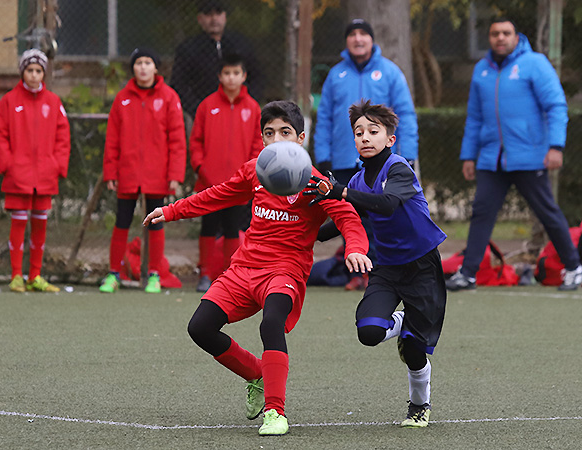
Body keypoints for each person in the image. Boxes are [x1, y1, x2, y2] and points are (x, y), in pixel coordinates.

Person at [143, 100, 371, 436]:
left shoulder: (315, 182)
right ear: (262, 139)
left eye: (285, 132)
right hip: (244, 267)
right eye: (269, 133)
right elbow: (216, 195)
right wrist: (172, 210)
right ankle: (256, 374)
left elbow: (348, 217)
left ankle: (275, 412)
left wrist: (356, 248)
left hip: (286, 270)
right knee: (200, 328)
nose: (276, 139)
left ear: (300, 139)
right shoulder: (255, 171)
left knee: (272, 322)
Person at [305, 100, 447, 428]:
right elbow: (345, 220)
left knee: (414, 350)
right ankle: (403, 322)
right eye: (359, 132)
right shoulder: (356, 182)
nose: (366, 137)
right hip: (386, 267)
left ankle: (419, 405)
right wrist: (303, 235)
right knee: (368, 332)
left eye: (373, 131)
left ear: (390, 139)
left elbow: (386, 205)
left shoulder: (398, 168)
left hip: (422, 266)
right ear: (353, 140)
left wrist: (339, 192)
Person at [446, 17, 582, 292]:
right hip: (490, 159)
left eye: (506, 33)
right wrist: (468, 156)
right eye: (495, 33)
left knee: (547, 213)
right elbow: (474, 118)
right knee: (481, 213)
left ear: (516, 36)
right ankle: (469, 273)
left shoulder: (535, 64)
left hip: (529, 157)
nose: (500, 38)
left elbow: (556, 106)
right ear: (489, 37)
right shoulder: (482, 70)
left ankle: (574, 268)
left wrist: (556, 147)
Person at [313, 18, 418, 290]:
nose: (358, 39)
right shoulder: (336, 75)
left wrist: (407, 154)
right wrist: (323, 155)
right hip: (344, 159)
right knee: (349, 216)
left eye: (363, 34)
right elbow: (323, 117)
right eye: (352, 34)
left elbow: (405, 114)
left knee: (379, 216)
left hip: (380, 162)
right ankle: (356, 271)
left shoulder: (390, 72)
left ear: (372, 40)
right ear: (347, 41)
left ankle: (380, 271)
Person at [100, 47, 187, 294]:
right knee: (122, 222)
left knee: (157, 224)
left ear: (156, 67)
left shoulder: (169, 97)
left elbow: (177, 140)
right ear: (133, 68)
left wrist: (174, 175)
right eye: (139, 62)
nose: (143, 67)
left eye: (148, 62)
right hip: (127, 173)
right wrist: (111, 173)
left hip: (156, 175)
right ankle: (113, 274)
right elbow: (112, 139)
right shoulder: (122, 99)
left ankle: (154, 275)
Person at [0, 48, 70, 293]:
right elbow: (0, 135)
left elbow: (63, 137)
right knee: (18, 222)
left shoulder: (54, 102)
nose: (34, 75)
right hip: (18, 175)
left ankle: (35, 275)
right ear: (22, 72)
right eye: (30, 70)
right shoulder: (9, 100)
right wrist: (8, 165)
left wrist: (57, 165)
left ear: (44, 73)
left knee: (40, 224)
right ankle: (16, 275)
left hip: (45, 176)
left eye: (38, 71)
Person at [190, 53, 263, 292]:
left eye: (236, 73)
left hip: (238, 185)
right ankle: (205, 274)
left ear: (243, 76)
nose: (231, 78)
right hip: (209, 184)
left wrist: (247, 175)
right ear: (220, 76)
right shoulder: (206, 105)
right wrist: (201, 168)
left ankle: (230, 274)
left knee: (233, 228)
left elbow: (257, 144)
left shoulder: (253, 108)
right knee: (208, 227)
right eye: (227, 73)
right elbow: (196, 142)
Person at [170, 0, 262, 117]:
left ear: (225, 16)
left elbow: (257, 77)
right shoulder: (188, 49)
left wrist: (247, 103)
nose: (214, 19)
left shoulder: (241, 44)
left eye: (218, 13)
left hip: (241, 113)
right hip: (205, 115)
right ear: (200, 19)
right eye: (208, 14)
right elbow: (179, 84)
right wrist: (199, 110)